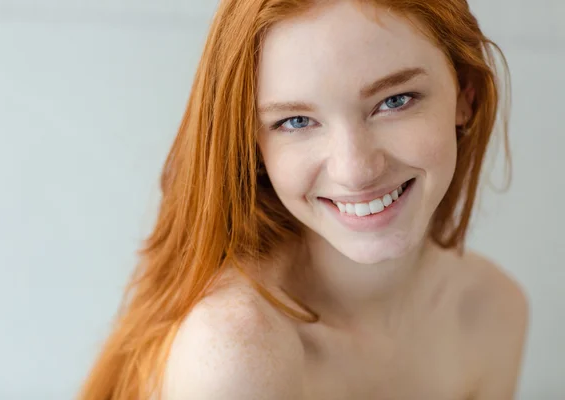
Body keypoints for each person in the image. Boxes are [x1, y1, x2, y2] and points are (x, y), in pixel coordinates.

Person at [79, 0, 528, 399]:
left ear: (464, 97)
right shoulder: (236, 353)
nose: (355, 170)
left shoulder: (495, 311)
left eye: (394, 100)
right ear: (252, 145)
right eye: (295, 121)